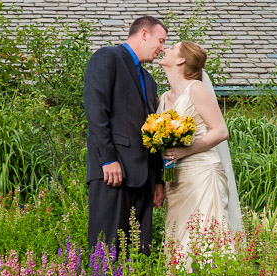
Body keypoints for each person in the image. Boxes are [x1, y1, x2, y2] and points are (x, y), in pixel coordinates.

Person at [83, 16, 167, 255]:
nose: (162, 48)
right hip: (113, 172)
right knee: (106, 250)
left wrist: (158, 180)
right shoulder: (107, 57)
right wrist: (107, 159)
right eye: (160, 41)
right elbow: (96, 112)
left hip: (144, 180)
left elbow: (153, 131)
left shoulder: (149, 81)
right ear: (143, 33)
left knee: (139, 254)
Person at [158, 40, 243, 252]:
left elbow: (221, 131)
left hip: (202, 175)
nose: (164, 49)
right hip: (175, 180)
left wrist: (185, 151)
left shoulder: (196, 89)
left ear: (181, 60)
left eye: (171, 48)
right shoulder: (163, 98)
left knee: (206, 241)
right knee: (178, 244)